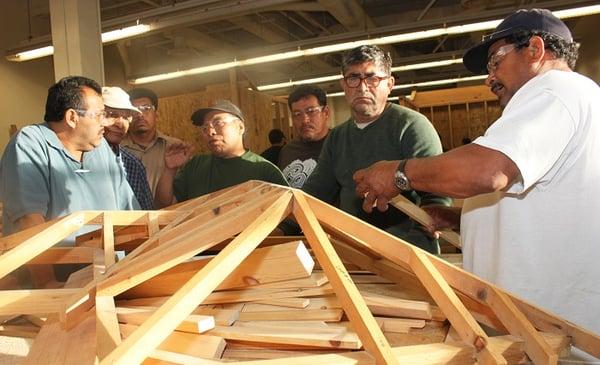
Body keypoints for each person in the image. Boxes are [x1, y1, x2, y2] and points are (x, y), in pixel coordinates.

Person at [353, 9, 600, 361]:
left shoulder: (555, 90)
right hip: (541, 328)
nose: (490, 79)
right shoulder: (571, 99)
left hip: (552, 337)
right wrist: (460, 220)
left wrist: (399, 173)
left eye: (496, 62)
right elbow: (549, 200)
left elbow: (489, 170)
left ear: (534, 49)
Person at [301, 45, 450, 253]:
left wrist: (422, 229)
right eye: (354, 78)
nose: (362, 88)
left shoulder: (411, 125)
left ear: (389, 84)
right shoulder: (337, 137)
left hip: (410, 254)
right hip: (355, 253)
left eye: (372, 79)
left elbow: (436, 193)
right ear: (344, 85)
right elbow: (315, 193)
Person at [0, 76, 139, 287]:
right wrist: (47, 283)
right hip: (53, 290)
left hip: (108, 280)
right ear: (72, 117)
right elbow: (29, 223)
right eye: (101, 114)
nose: (106, 122)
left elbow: (132, 215)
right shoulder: (30, 144)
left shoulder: (101, 150)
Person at [155, 100, 288, 207]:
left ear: (240, 127)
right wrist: (169, 171)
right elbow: (164, 206)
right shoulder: (195, 165)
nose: (210, 131)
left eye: (218, 123)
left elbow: (290, 218)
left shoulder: (264, 170)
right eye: (205, 127)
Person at [121, 88, 188, 199]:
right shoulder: (116, 150)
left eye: (146, 108)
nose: (140, 115)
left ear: (156, 114)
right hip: (131, 215)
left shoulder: (175, 147)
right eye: (134, 110)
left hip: (169, 213)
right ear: (127, 117)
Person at [102, 86, 154, 210]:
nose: (121, 123)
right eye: (112, 114)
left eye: (126, 117)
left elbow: (148, 215)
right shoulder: (78, 160)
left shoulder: (132, 165)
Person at [278, 85, 330, 188]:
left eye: (311, 111)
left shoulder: (341, 146)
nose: (305, 120)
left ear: (326, 112)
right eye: (297, 114)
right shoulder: (287, 151)